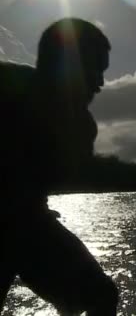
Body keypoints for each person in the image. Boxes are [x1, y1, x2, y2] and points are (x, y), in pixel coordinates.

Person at [0, 18, 118, 315]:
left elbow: (54, 176)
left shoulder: (80, 126)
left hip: (27, 222)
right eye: (96, 71)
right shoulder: (6, 84)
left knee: (100, 296)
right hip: (14, 223)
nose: (101, 84)